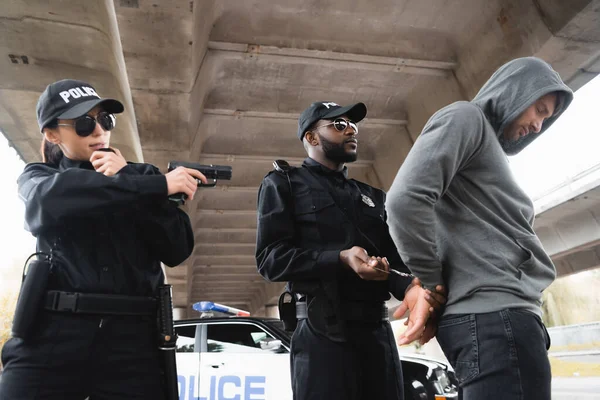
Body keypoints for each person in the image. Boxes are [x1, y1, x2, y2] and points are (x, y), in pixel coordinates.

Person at [0, 79, 206, 400]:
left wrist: (129, 177)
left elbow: (177, 249)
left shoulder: (143, 176)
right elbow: (51, 200)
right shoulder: (39, 177)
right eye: (84, 123)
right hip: (55, 334)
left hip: (133, 341)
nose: (98, 131)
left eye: (105, 120)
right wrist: (152, 187)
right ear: (52, 134)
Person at [385, 57, 574, 399]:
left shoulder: (484, 148)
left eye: (546, 119)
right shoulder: (466, 117)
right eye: (539, 109)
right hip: (496, 322)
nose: (538, 125)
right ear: (516, 91)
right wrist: (430, 282)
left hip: (498, 322)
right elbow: (404, 201)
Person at [255, 101, 446, 400]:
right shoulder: (284, 184)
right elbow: (270, 259)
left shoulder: (372, 196)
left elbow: (394, 262)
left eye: (354, 126)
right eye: (339, 125)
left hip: (376, 334)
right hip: (322, 335)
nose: (351, 132)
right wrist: (340, 258)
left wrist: (410, 286)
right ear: (312, 137)